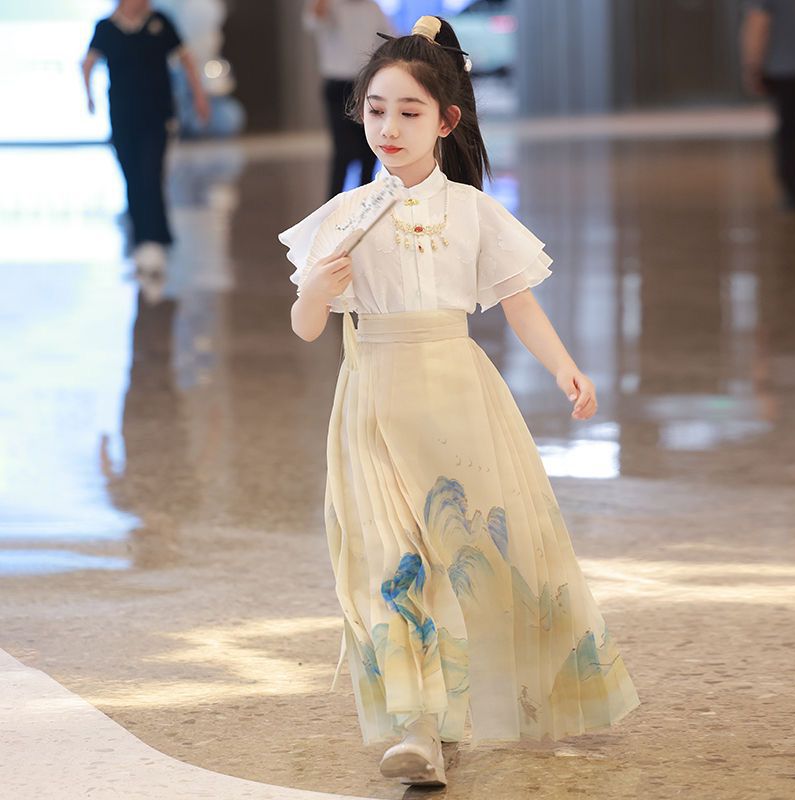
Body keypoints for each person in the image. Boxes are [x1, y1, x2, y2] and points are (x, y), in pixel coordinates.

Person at [278, 15, 641, 788]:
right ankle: (415, 725)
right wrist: (314, 290)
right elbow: (308, 327)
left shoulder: (474, 211)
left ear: (446, 121)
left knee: (465, 556)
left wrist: (565, 367)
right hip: (372, 405)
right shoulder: (344, 215)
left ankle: (450, 713)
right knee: (391, 561)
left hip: (456, 398)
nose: (388, 128)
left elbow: (518, 301)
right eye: (376, 109)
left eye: (408, 112)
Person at [82, 0, 210, 270]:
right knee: (132, 176)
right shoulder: (106, 28)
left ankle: (155, 238)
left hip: (157, 115)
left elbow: (186, 58)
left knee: (151, 173)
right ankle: (142, 235)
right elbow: (88, 62)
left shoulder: (160, 22)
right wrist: (89, 96)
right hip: (123, 116)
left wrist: (199, 96)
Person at [303, 0, 393, 198]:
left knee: (369, 149)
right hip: (338, 85)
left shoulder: (373, 8)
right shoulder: (331, 6)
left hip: (367, 83)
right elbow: (314, 20)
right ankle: (333, 203)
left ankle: (366, 201)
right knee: (343, 151)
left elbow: (389, 41)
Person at [741, 0, 795, 210]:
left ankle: (793, 192)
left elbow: (757, 23)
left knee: (787, 134)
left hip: (785, 71)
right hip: (786, 69)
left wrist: (752, 67)